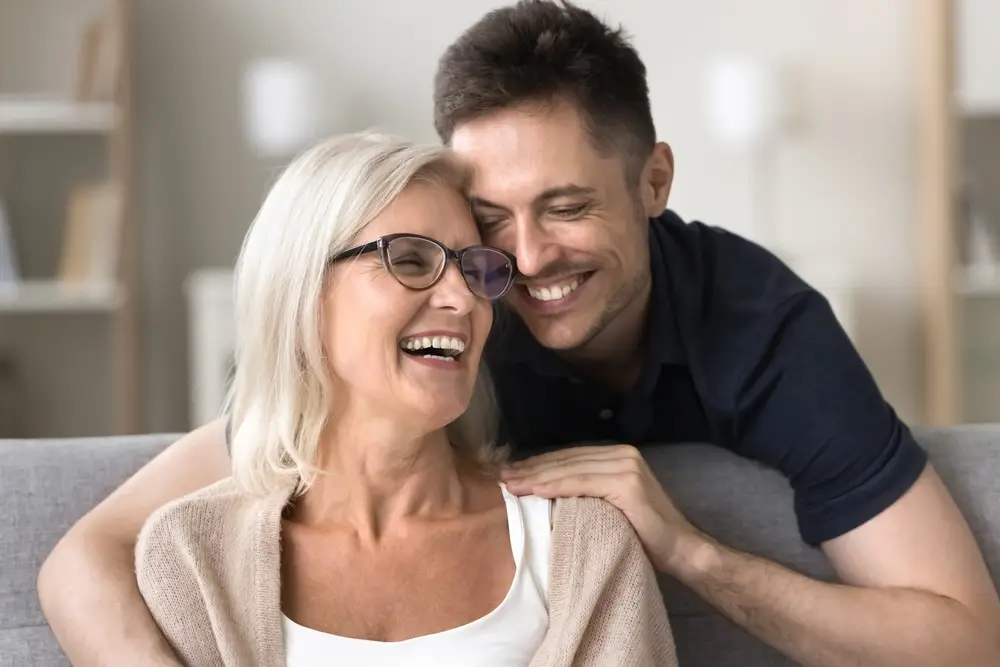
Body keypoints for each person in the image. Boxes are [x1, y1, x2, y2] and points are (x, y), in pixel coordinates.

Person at [38, 2, 1000, 666]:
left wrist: (693, 552)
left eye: (567, 206)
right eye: (490, 219)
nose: (525, 262)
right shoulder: (459, 303)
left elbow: (963, 641)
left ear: (655, 182)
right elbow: (88, 556)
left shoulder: (764, 328)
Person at [131, 132, 676, 667]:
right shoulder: (192, 555)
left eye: (475, 269)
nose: (464, 299)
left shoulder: (578, 546)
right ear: (303, 290)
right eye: (411, 261)